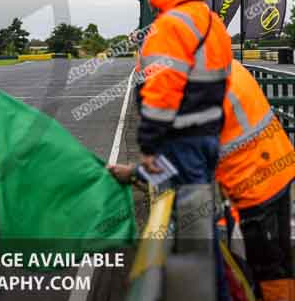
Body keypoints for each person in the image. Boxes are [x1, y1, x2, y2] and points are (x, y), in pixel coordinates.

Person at [110, 60, 295, 300]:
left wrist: (134, 173)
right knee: (276, 262)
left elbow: (183, 167)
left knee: (267, 266)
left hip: (255, 187)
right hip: (276, 168)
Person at [135, 0, 232, 184]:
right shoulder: (212, 21)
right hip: (210, 134)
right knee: (201, 203)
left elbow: (162, 89)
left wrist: (148, 143)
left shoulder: (169, 25)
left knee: (187, 209)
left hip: (179, 137)